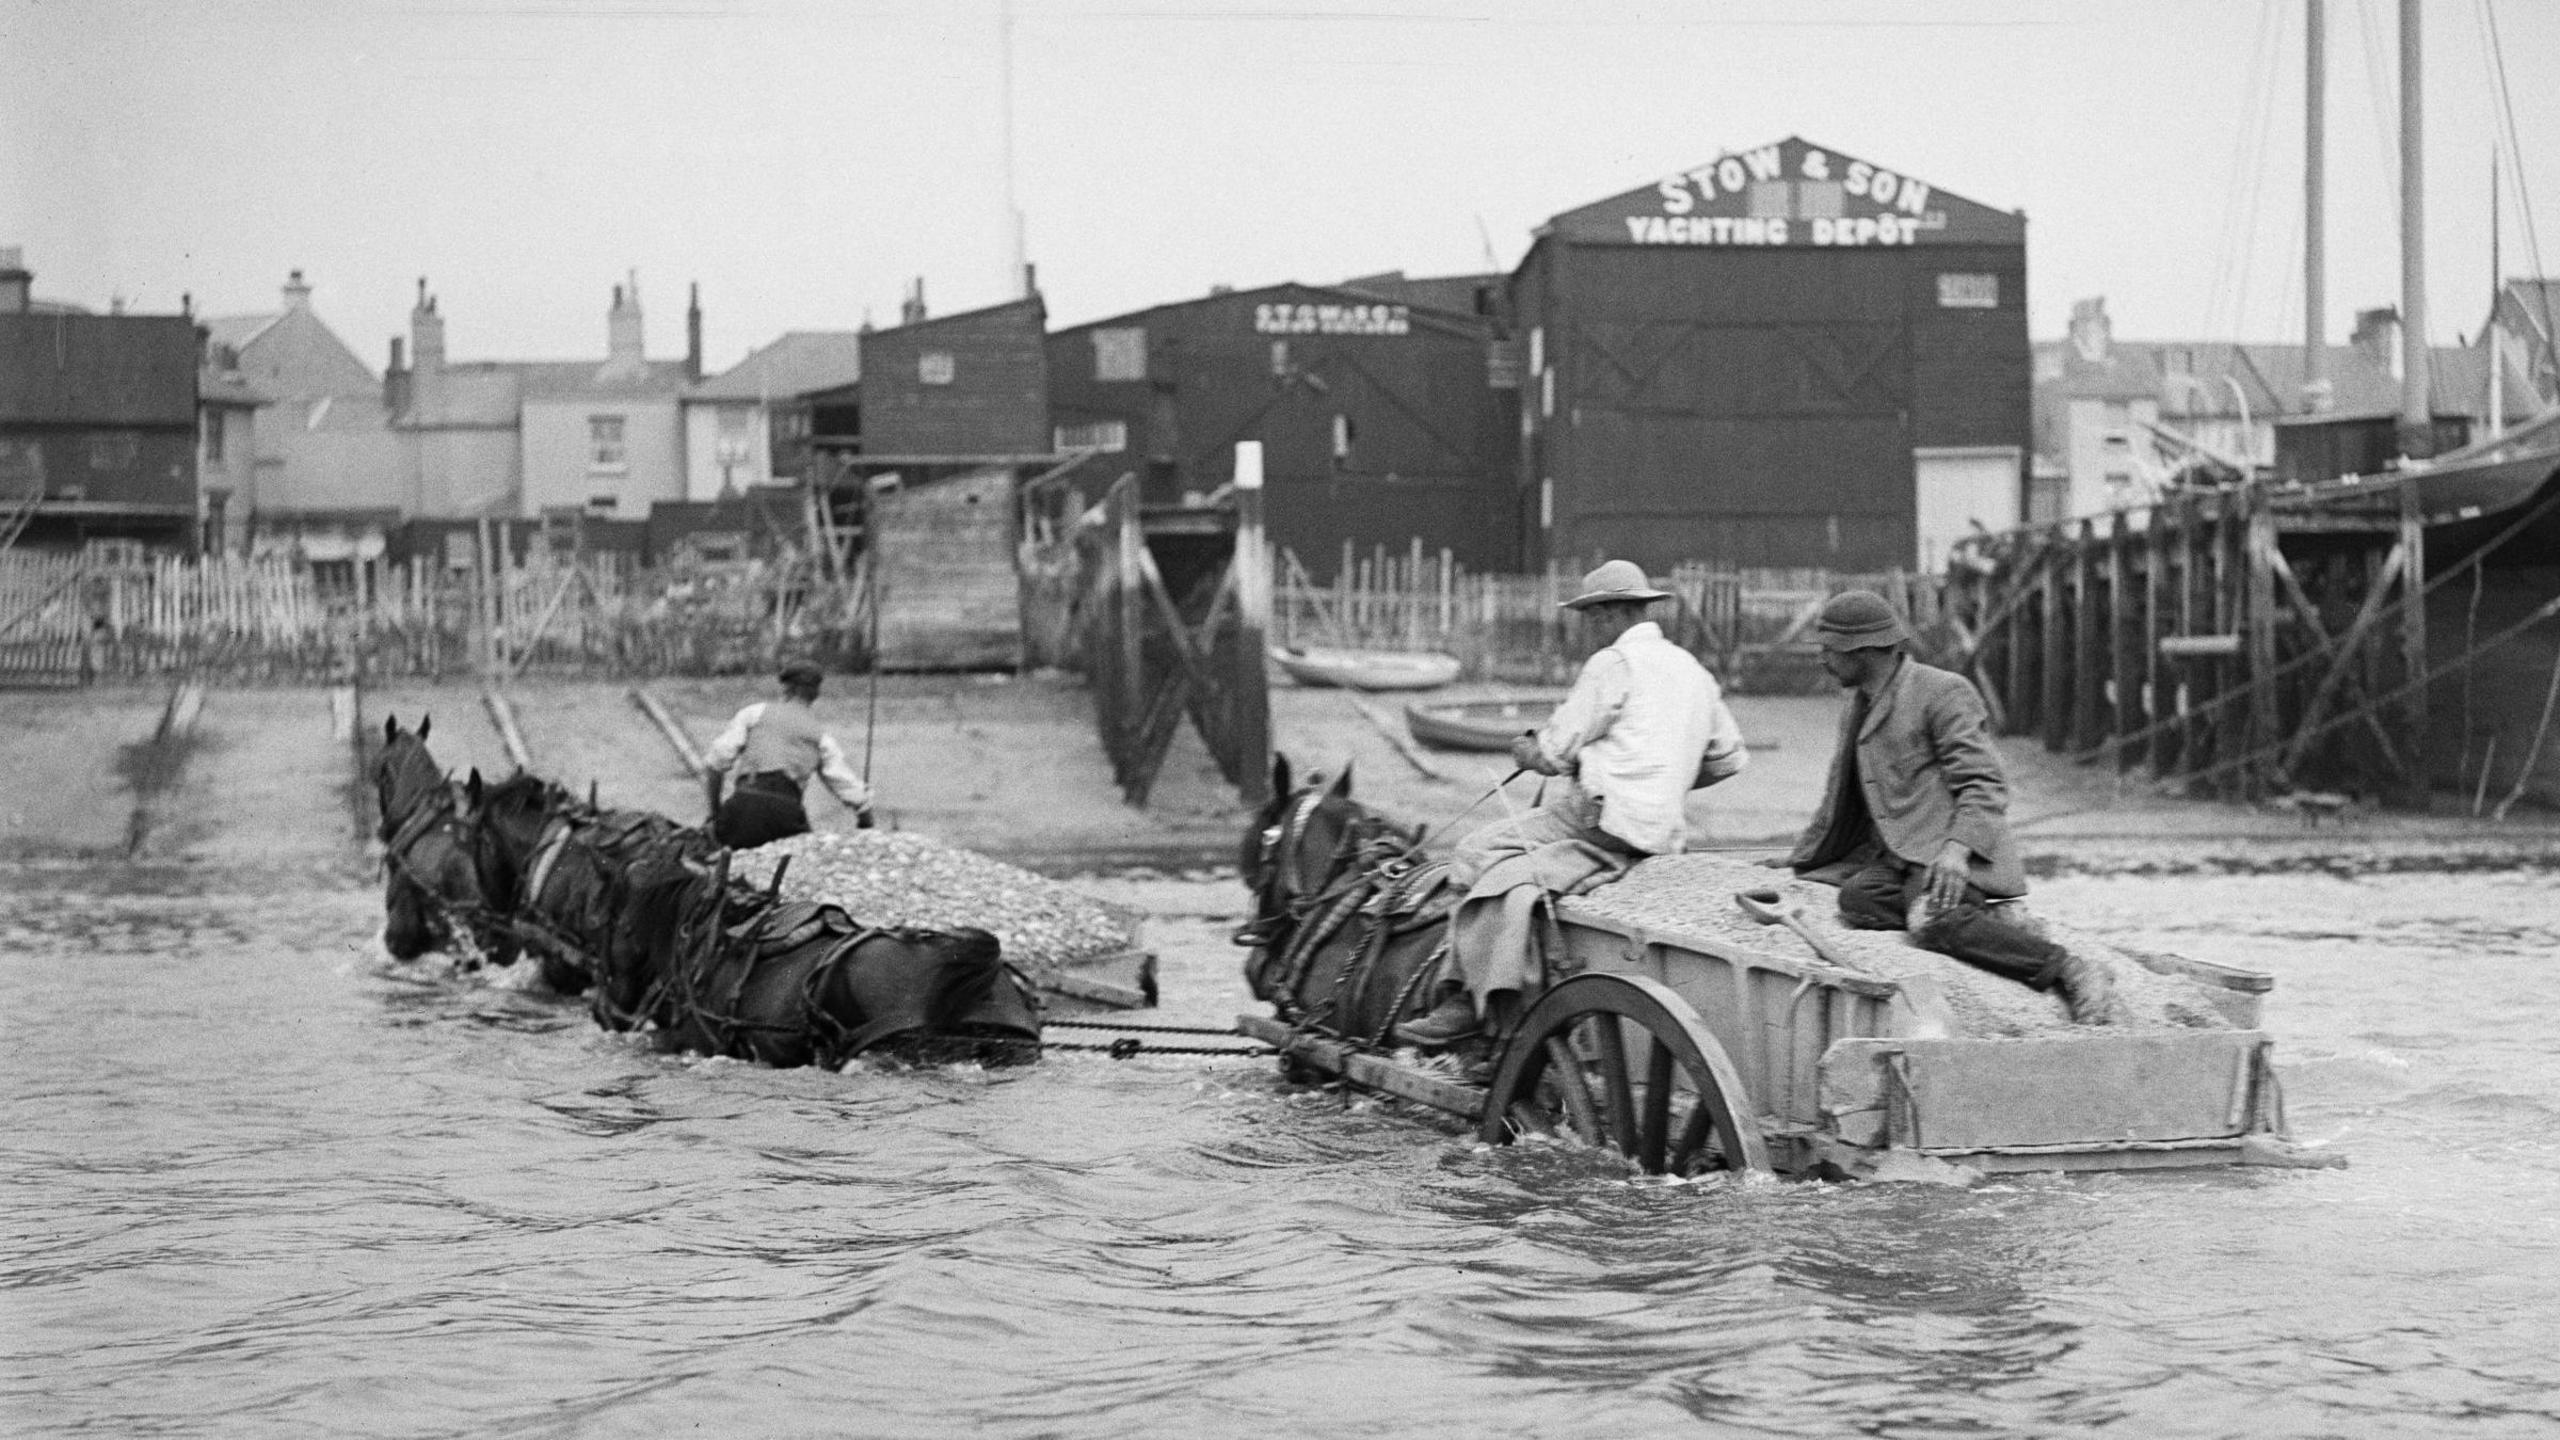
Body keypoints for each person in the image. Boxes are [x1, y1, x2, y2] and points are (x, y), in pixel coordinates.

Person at [1396, 559, 1749, 1046]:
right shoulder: (1693, 671)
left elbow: (1554, 751)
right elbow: (1729, 760)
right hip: (1662, 830)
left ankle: (1468, 997)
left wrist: (1526, 750)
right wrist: (1668, 780)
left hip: (1597, 819)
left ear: (1607, 614)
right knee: (1518, 861)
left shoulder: (1614, 664)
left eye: (1589, 618)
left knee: (1475, 852)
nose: (1586, 629)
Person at [1785, 590, 2117, 1023]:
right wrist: (1800, 856)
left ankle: (2070, 969)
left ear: (1861, 651)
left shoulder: (1943, 692)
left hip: (1947, 854)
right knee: (1857, 900)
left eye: (1828, 650)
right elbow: (1840, 797)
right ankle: (1989, 922)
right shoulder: (1860, 703)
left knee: (1931, 923)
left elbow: (1985, 782)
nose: (1822, 660)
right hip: (1901, 857)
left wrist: (1957, 851)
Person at [702, 663, 875, 848]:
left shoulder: (755, 714)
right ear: (815, 694)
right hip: (787, 814)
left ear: (786, 689)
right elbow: (847, 787)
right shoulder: (821, 736)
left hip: (745, 806)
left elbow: (715, 764)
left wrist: (715, 812)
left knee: (714, 853)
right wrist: (866, 823)